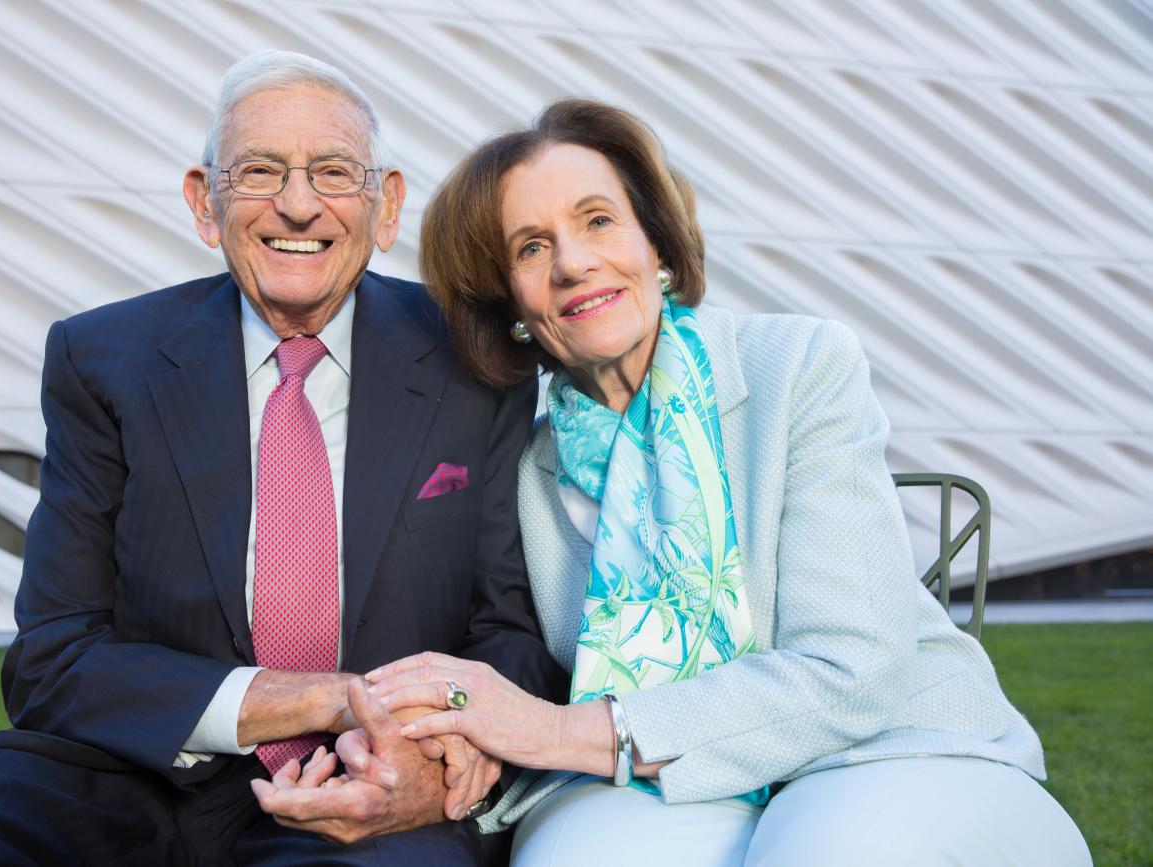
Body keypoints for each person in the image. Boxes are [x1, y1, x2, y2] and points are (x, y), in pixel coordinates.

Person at [0, 51, 562, 866]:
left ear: (386, 204)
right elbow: (54, 659)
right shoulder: (103, 359)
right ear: (204, 201)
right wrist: (313, 699)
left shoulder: (477, 362)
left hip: (369, 785)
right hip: (140, 769)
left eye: (333, 171)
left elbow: (509, 631)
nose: (297, 205)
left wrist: (433, 756)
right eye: (259, 170)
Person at [350, 100, 1093, 865]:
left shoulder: (799, 366)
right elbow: (511, 659)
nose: (572, 262)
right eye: (532, 247)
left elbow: (855, 670)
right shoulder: (529, 474)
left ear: (656, 243)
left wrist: (560, 730)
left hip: (887, 744)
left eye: (598, 220)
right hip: (667, 776)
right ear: (510, 304)